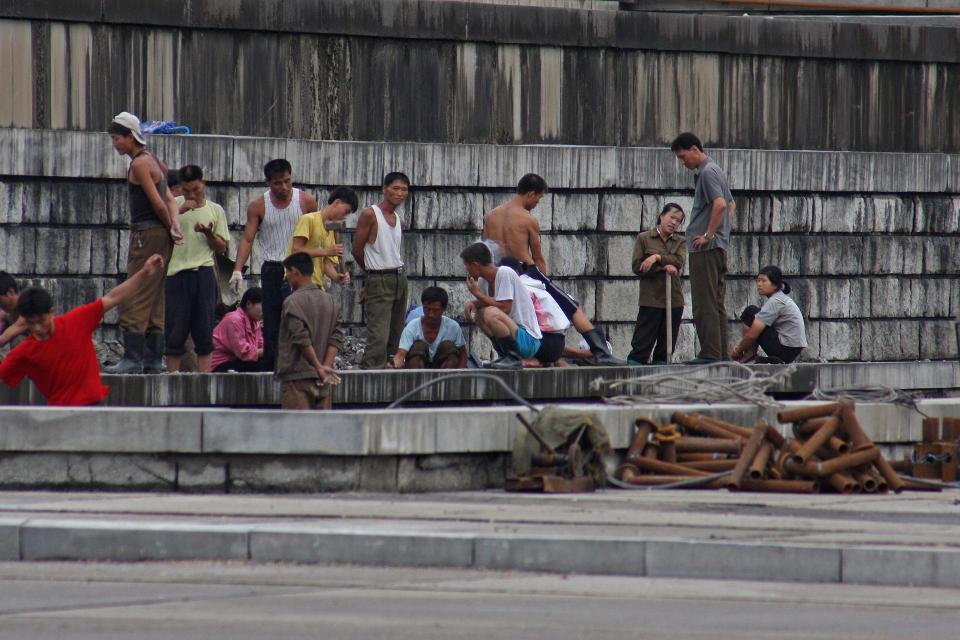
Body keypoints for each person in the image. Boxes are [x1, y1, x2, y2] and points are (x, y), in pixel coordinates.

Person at [482, 173, 624, 365]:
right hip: (527, 271)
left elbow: (486, 250)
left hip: (500, 274)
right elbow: (538, 257)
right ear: (531, 194)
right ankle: (602, 353)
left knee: (507, 317)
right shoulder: (527, 219)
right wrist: (544, 282)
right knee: (572, 307)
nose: (536, 204)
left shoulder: (491, 216)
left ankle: (511, 356)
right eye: (538, 199)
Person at [0, 255, 166, 405]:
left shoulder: (76, 320)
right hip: (59, 416)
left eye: (41, 321)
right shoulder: (25, 351)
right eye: (31, 324)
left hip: (93, 409)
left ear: (51, 312)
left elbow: (114, 297)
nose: (37, 329)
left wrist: (144, 273)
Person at [105, 112, 183, 374]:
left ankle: (134, 358)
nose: (115, 143)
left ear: (130, 137)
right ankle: (152, 358)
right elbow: (172, 200)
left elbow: (159, 203)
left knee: (135, 291)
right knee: (154, 294)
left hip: (146, 234)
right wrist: (175, 226)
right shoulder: (155, 161)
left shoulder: (139, 164)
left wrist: (170, 225)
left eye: (117, 138)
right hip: (160, 235)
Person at [231, 159, 318, 370]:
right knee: (271, 323)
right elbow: (248, 239)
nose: (284, 188)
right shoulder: (258, 206)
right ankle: (272, 369)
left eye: (288, 181)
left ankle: (302, 366)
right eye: (278, 183)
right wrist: (237, 270)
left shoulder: (306, 201)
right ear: (268, 182)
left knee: (300, 319)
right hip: (272, 267)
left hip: (299, 267)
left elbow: (318, 235)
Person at [671, 132, 736, 365]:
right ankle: (721, 354)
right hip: (718, 246)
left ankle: (710, 353)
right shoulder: (715, 170)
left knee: (703, 302)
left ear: (694, 149)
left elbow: (720, 204)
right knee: (716, 302)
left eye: (683, 156)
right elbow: (730, 204)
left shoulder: (707, 172)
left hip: (706, 248)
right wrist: (722, 233)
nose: (683, 162)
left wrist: (708, 234)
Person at [163, 165, 229, 373]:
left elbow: (222, 247)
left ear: (203, 184)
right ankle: (172, 375)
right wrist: (179, 211)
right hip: (176, 273)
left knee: (204, 329)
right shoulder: (173, 205)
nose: (191, 194)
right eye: (186, 190)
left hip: (203, 272)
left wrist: (209, 234)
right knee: (175, 330)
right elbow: (161, 233)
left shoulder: (215, 210)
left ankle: (204, 378)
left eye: (195, 189)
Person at [351, 172, 410, 369]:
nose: (400, 193)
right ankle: (369, 375)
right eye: (395, 188)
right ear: (384, 189)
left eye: (404, 189)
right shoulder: (370, 214)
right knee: (378, 336)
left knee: (396, 333)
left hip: (399, 277)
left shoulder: (397, 218)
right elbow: (357, 250)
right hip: (380, 277)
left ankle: (389, 371)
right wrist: (371, 277)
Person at [276, 252, 343, 410]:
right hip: (323, 382)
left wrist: (317, 367)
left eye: (288, 272)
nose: (286, 277)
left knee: (297, 432)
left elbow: (301, 338)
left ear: (295, 271)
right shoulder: (330, 301)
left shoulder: (292, 302)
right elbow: (336, 337)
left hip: (296, 379)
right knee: (322, 433)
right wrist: (325, 367)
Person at [461, 242, 542, 369]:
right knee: (480, 315)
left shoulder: (505, 272)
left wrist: (476, 293)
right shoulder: (483, 280)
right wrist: (473, 303)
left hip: (528, 340)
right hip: (513, 335)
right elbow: (489, 301)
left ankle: (512, 357)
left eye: (468, 267)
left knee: (490, 313)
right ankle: (504, 354)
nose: (468, 272)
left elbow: (504, 307)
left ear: (475, 265)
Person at [628, 203, 687, 365]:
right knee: (642, 341)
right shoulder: (644, 238)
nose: (674, 222)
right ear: (662, 216)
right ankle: (633, 373)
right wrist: (663, 267)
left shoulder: (680, 241)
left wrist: (656, 258)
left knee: (666, 344)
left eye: (678, 221)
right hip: (651, 298)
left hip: (673, 299)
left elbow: (679, 261)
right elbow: (637, 266)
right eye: (672, 217)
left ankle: (661, 373)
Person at [497, 256, 570, 368]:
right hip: (557, 343)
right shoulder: (535, 285)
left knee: (499, 319)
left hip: (544, 344)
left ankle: (520, 358)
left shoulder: (522, 289)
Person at [732, 266, 807, 364]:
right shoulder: (781, 298)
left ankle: (749, 356)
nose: (759, 284)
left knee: (750, 312)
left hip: (785, 349)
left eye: (763, 281)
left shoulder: (775, 301)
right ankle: (756, 358)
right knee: (755, 315)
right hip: (790, 351)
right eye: (758, 280)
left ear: (775, 284)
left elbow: (752, 334)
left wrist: (738, 349)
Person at [288, 186, 357, 291]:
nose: (345, 217)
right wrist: (326, 251)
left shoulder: (332, 231)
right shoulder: (308, 219)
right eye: (346, 211)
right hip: (298, 284)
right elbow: (296, 250)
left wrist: (337, 277)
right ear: (337, 202)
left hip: (317, 286)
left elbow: (326, 265)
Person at [392, 287, 467, 369]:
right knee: (418, 346)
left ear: (444, 309)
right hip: (418, 372)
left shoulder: (453, 327)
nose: (430, 314)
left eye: (435, 310)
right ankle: (417, 380)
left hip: (443, 370)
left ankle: (447, 380)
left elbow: (463, 355)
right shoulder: (412, 327)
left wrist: (460, 372)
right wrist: (394, 365)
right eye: (427, 309)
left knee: (448, 347)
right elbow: (401, 354)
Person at [211, 287, 267, 372]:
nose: (264, 311)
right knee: (258, 367)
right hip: (221, 364)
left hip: (237, 360)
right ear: (249, 304)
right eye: (263, 306)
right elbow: (243, 352)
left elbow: (261, 343)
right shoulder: (234, 320)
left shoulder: (255, 322)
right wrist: (265, 351)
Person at [0, 272, 26, 350]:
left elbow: (4, 337)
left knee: (18, 340)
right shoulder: (6, 311)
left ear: (11, 292)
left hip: (48, 349)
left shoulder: (28, 306)